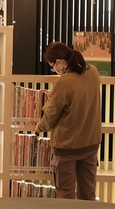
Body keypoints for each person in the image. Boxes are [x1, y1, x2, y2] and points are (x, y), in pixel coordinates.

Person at [37, 41, 102, 200]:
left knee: (65, 195)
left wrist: (39, 127)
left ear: (59, 62)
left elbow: (51, 114)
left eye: (53, 66)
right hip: (90, 144)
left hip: (67, 146)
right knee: (88, 193)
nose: (54, 70)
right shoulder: (93, 72)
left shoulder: (63, 82)